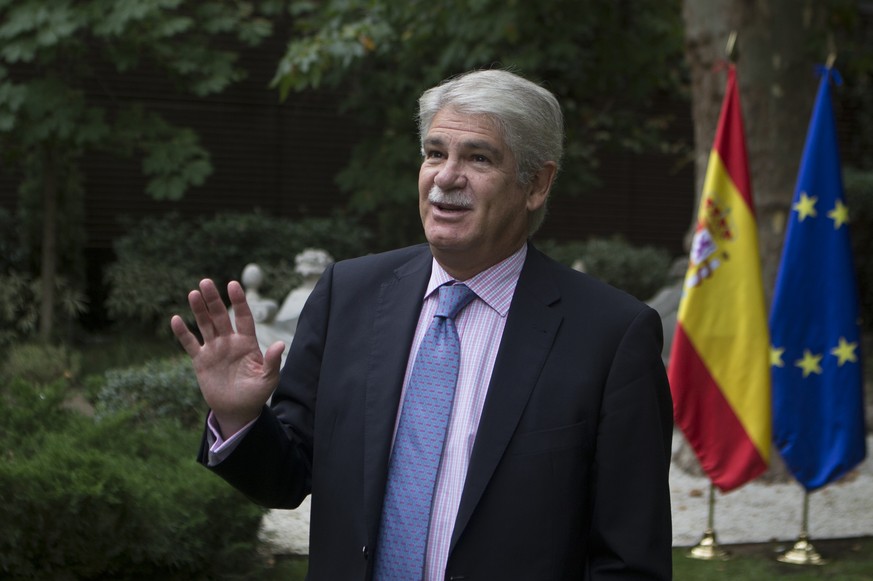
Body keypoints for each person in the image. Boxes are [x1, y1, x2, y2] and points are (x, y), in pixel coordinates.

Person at [171, 69, 673, 580]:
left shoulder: (612, 336)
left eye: (478, 157)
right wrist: (240, 419)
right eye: (435, 153)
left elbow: (630, 559)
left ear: (537, 184)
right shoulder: (348, 294)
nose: (446, 176)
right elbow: (288, 475)